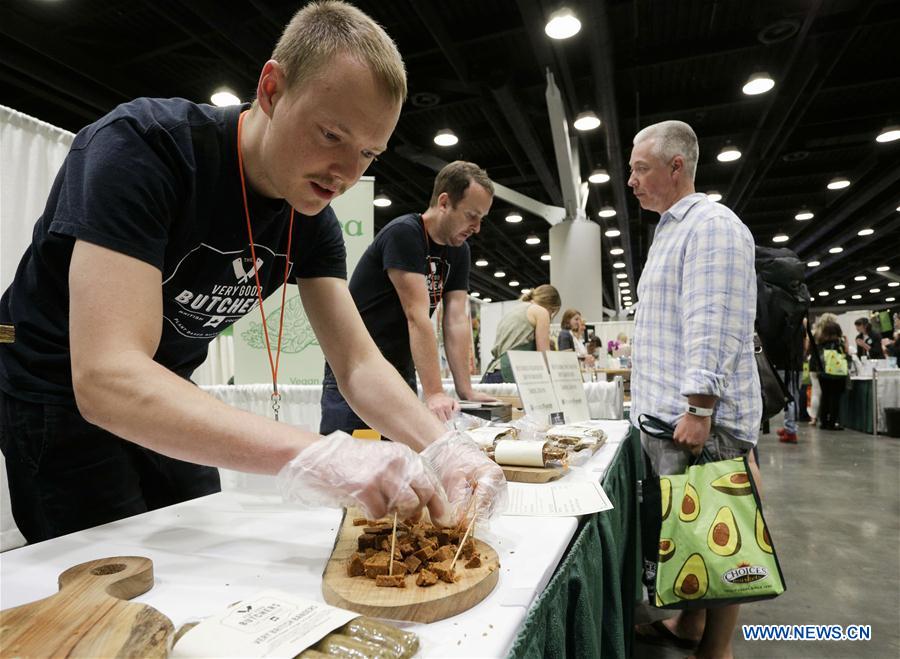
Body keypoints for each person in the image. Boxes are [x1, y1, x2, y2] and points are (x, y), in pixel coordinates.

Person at [0, 1, 504, 544]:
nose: (346, 174)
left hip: (167, 386)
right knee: (111, 587)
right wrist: (318, 454)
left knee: (200, 546)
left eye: (368, 153)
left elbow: (358, 364)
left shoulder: (311, 218)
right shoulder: (143, 149)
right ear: (271, 89)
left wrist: (444, 446)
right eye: (331, 135)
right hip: (53, 391)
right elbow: (107, 376)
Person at [627, 120, 762, 659]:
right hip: (672, 417)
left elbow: (715, 319)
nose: (631, 180)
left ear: (676, 166)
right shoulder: (672, 227)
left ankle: (718, 649)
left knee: (720, 532)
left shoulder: (712, 224)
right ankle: (688, 626)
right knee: (693, 532)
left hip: (701, 420)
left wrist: (700, 405)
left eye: (640, 168)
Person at [321, 161, 496, 433]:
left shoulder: (459, 251)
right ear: (444, 202)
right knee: (349, 464)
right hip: (357, 369)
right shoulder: (404, 233)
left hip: (400, 371)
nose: (477, 227)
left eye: (481, 219)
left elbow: (456, 320)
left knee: (402, 465)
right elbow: (416, 315)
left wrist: (466, 390)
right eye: (471, 215)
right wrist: (435, 392)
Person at [481, 285, 561, 383]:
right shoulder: (541, 312)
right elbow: (544, 356)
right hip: (512, 374)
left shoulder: (515, 310)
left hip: (493, 373)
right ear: (552, 308)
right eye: (553, 312)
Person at [815, 320, 848, 430]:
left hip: (823, 373)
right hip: (837, 374)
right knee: (835, 398)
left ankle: (823, 421)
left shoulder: (820, 343)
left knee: (825, 396)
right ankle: (832, 422)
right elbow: (845, 355)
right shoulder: (839, 343)